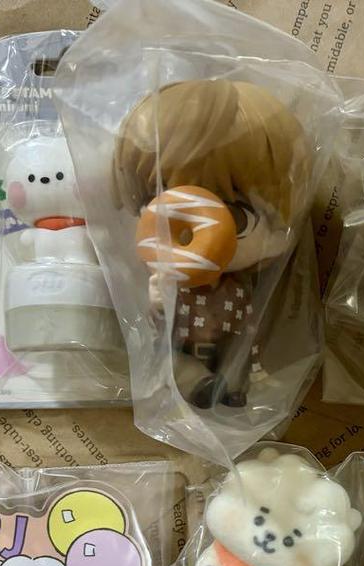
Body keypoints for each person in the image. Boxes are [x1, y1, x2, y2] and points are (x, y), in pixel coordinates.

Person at [114, 79, 309, 408]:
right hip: (178, 345)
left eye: (237, 216)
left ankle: (231, 384)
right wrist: (159, 299)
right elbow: (155, 316)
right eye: (157, 200)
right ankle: (198, 384)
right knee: (175, 364)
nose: (198, 232)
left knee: (235, 362)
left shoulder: (239, 287)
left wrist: (255, 367)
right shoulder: (167, 282)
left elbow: (247, 329)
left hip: (228, 342)